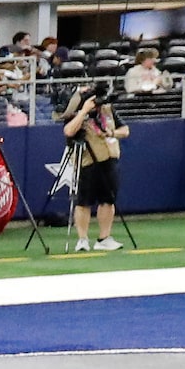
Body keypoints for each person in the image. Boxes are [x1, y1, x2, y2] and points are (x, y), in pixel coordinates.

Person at [62, 82, 124, 253]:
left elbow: (125, 130)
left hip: (108, 158)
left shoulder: (108, 110)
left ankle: (104, 238)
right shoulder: (77, 112)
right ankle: (82, 239)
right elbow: (68, 131)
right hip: (88, 162)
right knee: (84, 202)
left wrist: (111, 133)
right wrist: (83, 112)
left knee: (108, 200)